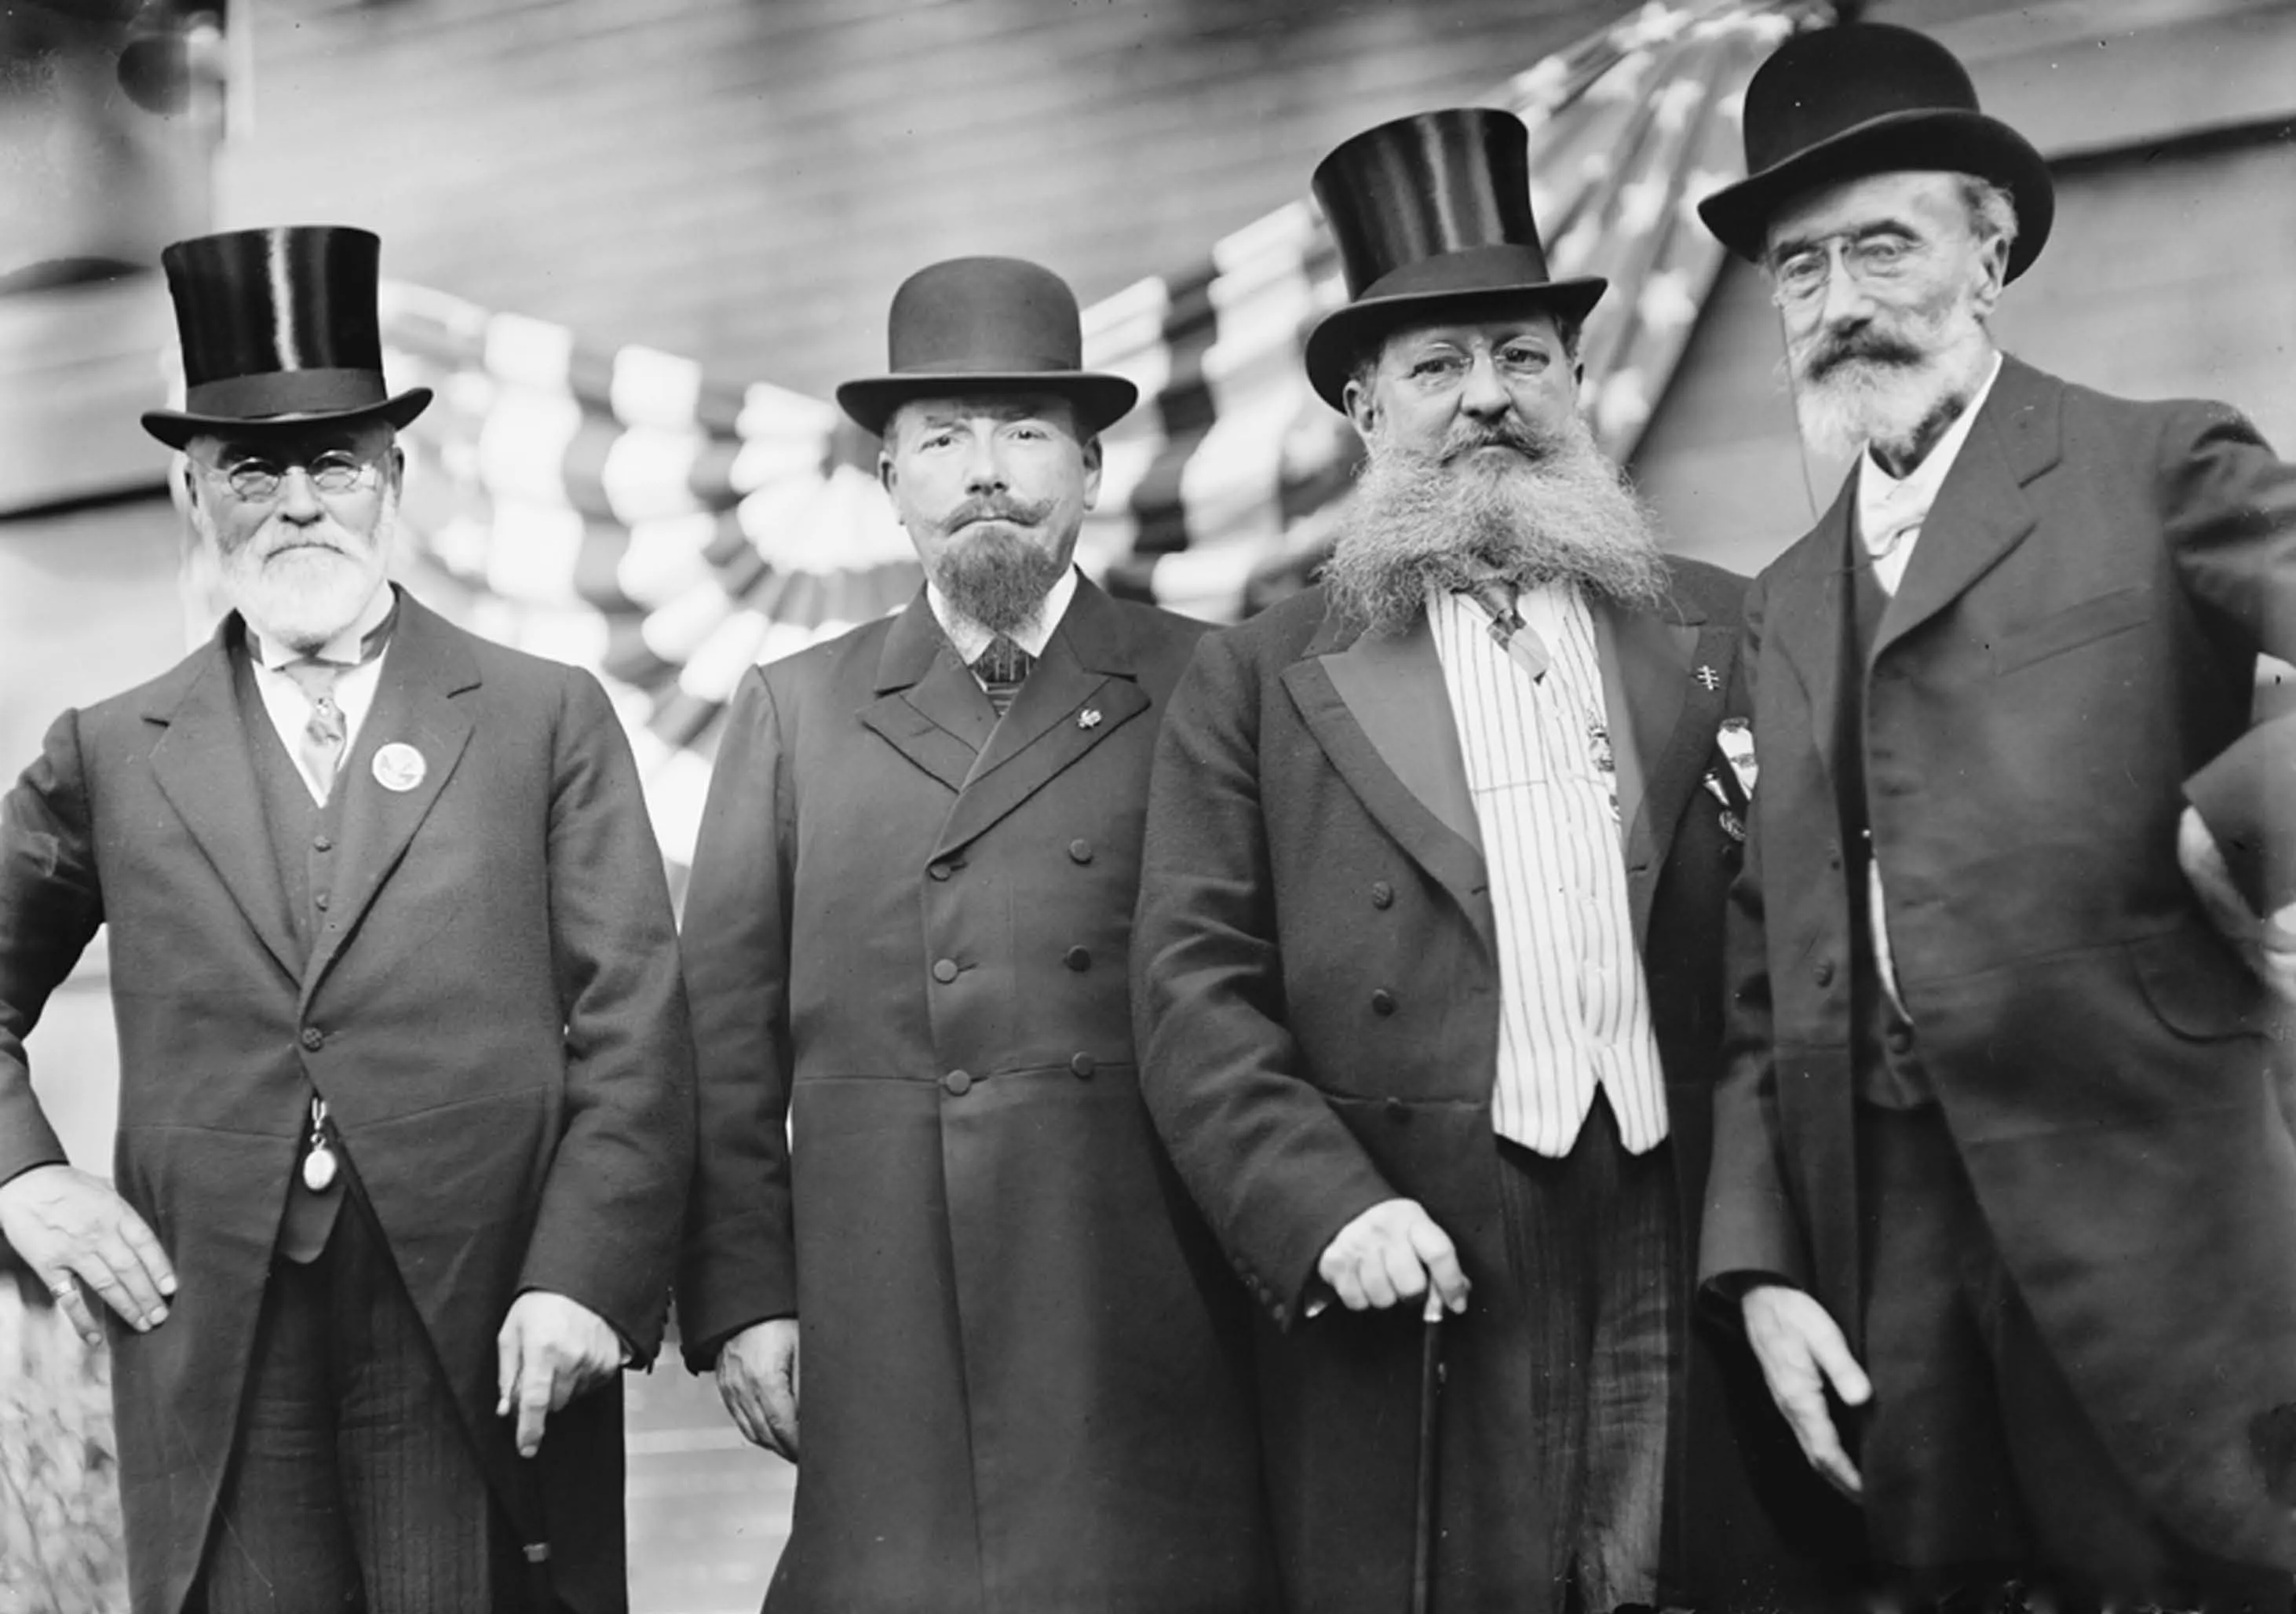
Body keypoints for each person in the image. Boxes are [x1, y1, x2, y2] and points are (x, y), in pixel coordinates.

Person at [1132, 108, 1829, 1614]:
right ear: (1366, 412)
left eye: (1523, 357)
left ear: (1576, 382)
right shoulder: (1259, 680)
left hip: (1686, 1212)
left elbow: (1802, 939)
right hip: (1424, 1227)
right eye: (1439, 369)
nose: (1488, 399)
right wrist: (1329, 1208)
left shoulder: (1722, 622)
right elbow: (1194, 998)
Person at [0, 225, 695, 1614]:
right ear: (196, 496)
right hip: (209, 1340)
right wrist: (26, 1181)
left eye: (334, 463)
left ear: (393, 478)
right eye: (253, 471)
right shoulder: (110, 749)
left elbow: (635, 1025)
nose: (298, 503)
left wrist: (583, 1277)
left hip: (487, 1331)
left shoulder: (540, 715)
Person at [1694, 22, 2296, 1609]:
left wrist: (2237, 825)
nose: (1839, 301)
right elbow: (1764, 967)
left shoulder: (2155, 461)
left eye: (1882, 243)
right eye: (1799, 265)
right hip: (1889, 1270)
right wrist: (1756, 1267)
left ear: (1989, 250)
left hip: (2159, 1226)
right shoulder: (1777, 598)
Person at [674, 255, 1272, 1613]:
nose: (985, 472)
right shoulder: (795, 711)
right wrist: (743, 1297)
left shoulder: (1210, 683)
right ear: (889, 483)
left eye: (1023, 434)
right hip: (886, 1300)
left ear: (1093, 468)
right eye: (942, 439)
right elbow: (718, 1042)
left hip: (1149, 1297)